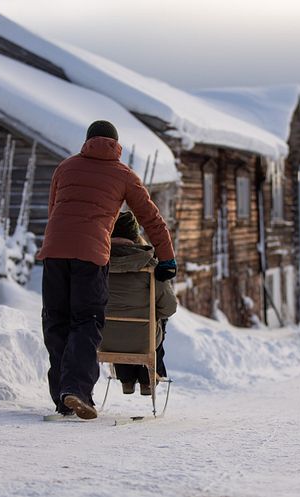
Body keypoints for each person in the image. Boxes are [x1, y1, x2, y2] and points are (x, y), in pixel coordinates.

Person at [36, 120, 177, 420]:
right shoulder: (123, 174)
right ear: (116, 145)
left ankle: (63, 397)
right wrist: (166, 258)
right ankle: (76, 389)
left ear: (87, 142)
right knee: (86, 321)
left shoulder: (65, 167)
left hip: (55, 250)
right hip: (91, 255)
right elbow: (151, 219)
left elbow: (54, 210)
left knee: (56, 320)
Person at [100, 211, 177, 396]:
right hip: (144, 340)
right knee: (156, 322)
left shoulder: (99, 265)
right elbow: (169, 307)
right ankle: (148, 379)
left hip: (103, 338)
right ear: (135, 236)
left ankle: (126, 379)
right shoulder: (150, 266)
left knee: (117, 322)